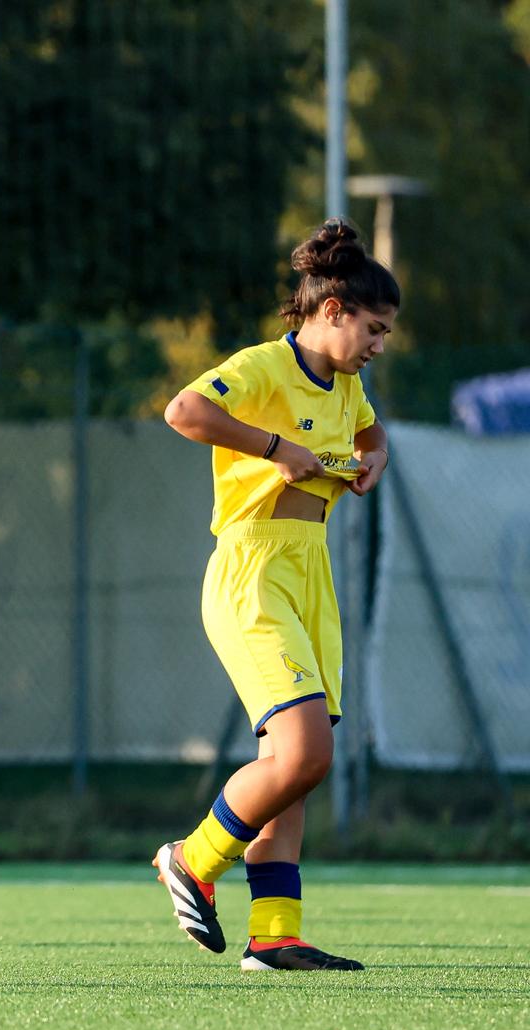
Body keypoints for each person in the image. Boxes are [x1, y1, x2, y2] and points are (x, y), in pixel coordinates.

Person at [155, 219, 397, 971]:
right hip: (252, 570)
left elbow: (370, 437)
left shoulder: (348, 385)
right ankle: (191, 859)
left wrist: (375, 458)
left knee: (291, 765)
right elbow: (183, 411)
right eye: (373, 328)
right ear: (331, 311)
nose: (379, 344)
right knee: (305, 753)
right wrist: (275, 448)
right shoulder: (265, 364)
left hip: (308, 573)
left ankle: (276, 934)